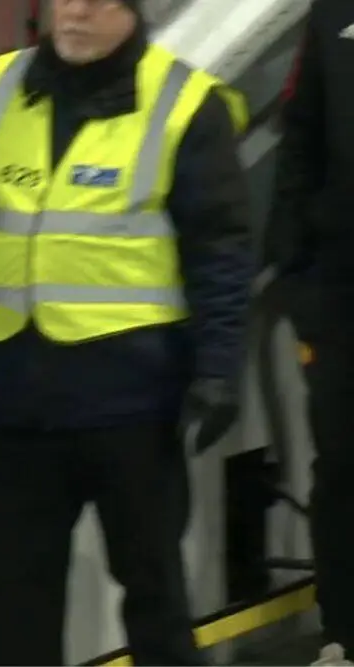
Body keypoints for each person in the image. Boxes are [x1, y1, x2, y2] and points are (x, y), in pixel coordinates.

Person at [0, 0, 254, 663]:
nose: (76, 12)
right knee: (17, 615)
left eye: (96, 0)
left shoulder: (184, 105)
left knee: (157, 605)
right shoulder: (1, 89)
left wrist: (218, 368)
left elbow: (221, 254)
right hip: (15, 411)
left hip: (135, 412)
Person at [266, 3, 354, 664]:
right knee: (343, 469)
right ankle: (344, 633)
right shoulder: (334, 14)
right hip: (342, 299)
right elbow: (300, 141)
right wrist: (299, 280)